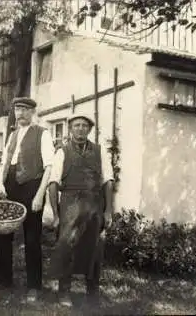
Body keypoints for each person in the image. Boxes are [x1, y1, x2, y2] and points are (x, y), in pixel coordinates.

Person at [0, 97, 56, 303]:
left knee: (31, 238)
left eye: (25, 109)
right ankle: (4, 280)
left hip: (31, 186)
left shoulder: (43, 133)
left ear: (32, 112)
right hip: (9, 185)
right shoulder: (11, 135)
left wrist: (40, 195)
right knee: (3, 233)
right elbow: (3, 163)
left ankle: (34, 286)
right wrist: (1, 185)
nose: (20, 113)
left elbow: (49, 167)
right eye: (17, 109)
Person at [48, 115, 114, 307]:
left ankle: (92, 291)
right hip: (70, 205)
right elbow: (53, 183)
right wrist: (56, 214)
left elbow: (108, 181)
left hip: (94, 204)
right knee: (66, 246)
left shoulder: (100, 152)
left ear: (89, 129)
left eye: (85, 126)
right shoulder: (62, 152)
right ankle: (64, 292)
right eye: (76, 125)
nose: (80, 129)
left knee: (94, 247)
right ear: (70, 129)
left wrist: (108, 210)